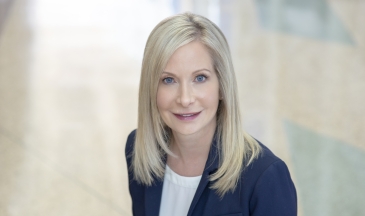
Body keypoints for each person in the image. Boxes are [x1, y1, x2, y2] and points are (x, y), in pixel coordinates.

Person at [125, 13, 297, 216]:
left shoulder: (265, 177)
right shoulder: (139, 149)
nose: (185, 99)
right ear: (150, 88)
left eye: (200, 78)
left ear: (222, 86)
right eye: (168, 80)